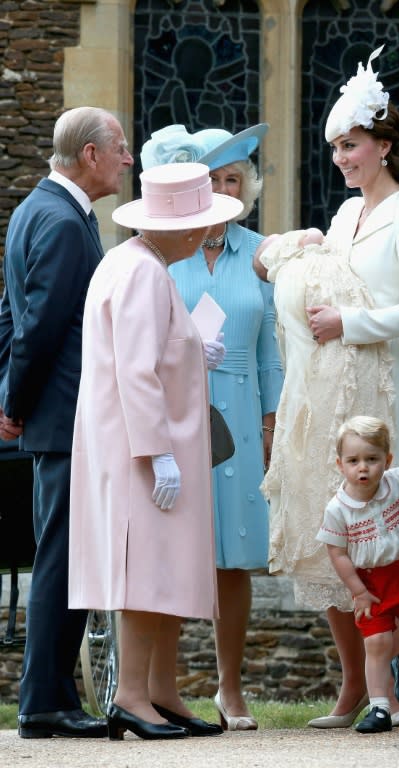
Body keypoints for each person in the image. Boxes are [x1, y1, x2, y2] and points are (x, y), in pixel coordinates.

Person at [255, 46, 399, 728]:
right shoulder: (340, 216)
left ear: (384, 146)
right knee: (323, 525)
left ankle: (382, 684)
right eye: (333, 147)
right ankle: (352, 685)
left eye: (351, 145)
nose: (340, 158)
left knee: (365, 539)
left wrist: (350, 321)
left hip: (367, 391)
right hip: (321, 389)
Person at [68, 161, 243, 740]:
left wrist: (195, 352)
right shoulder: (142, 271)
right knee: (145, 572)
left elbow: (154, 352)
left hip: (151, 445)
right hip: (143, 451)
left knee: (165, 570)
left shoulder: (137, 263)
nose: (203, 234)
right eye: (200, 223)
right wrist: (157, 452)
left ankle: (162, 692)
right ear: (181, 228)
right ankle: (133, 697)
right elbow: (135, 371)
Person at [140, 123, 283, 730]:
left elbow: (271, 348)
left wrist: (274, 420)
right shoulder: (164, 251)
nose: (223, 187)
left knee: (233, 560)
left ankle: (230, 689)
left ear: (245, 188)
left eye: (233, 179)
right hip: (178, 413)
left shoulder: (260, 252)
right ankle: (154, 686)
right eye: (213, 178)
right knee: (174, 552)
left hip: (244, 419)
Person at [0, 107, 133, 739]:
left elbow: (9, 315)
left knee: (62, 552)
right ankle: (45, 702)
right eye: (121, 149)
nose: (128, 160)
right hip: (63, 416)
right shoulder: (58, 219)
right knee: (63, 556)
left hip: (51, 412)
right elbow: (38, 325)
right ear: (90, 156)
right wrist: (15, 403)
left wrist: (7, 396)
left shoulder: (37, 209)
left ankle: (47, 697)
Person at [316, 416, 399, 733]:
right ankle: (379, 708)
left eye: (372, 459)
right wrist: (358, 591)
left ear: (387, 460)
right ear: (340, 465)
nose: (363, 468)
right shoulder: (337, 509)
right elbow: (337, 553)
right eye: (353, 461)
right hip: (371, 583)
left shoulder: (397, 481)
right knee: (375, 642)